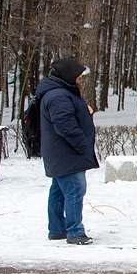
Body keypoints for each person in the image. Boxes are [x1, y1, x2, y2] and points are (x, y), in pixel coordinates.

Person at [36, 58, 99, 244]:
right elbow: (65, 126)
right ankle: (75, 232)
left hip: (61, 153)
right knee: (74, 189)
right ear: (69, 76)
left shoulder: (60, 92)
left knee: (58, 191)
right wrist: (82, 145)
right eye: (78, 76)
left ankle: (57, 229)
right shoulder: (58, 96)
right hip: (67, 153)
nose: (80, 79)